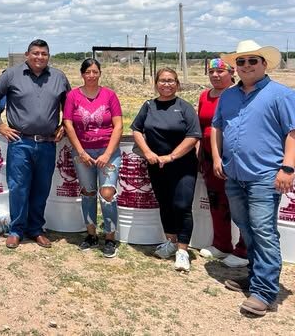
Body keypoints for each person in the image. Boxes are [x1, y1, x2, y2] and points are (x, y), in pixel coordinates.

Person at [212, 40, 295, 316]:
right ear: (236, 66)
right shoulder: (228, 96)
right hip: (235, 175)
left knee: (263, 231)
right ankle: (256, 276)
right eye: (241, 61)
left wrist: (288, 168)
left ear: (264, 64)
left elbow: (293, 132)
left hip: (265, 176)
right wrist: (217, 158)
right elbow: (217, 127)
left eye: (252, 61)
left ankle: (265, 292)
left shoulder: (281, 94)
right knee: (247, 228)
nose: (246, 65)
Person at [0, 39, 70, 249]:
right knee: (19, 188)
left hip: (47, 143)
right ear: (27, 55)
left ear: (48, 56)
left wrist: (65, 126)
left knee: (41, 188)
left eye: (44, 54)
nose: (40, 57)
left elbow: (70, 104)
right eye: (36, 53)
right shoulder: (12, 74)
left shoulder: (58, 77)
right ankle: (16, 230)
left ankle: (36, 229)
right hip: (20, 142)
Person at [131, 67, 201, 272]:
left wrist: (171, 157)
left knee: (182, 205)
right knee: (165, 204)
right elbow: (136, 130)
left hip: (183, 165)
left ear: (177, 84)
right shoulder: (148, 106)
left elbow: (193, 136)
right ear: (156, 84)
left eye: (171, 81)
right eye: (162, 80)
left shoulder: (185, 107)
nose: (166, 84)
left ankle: (182, 251)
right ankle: (171, 242)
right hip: (156, 165)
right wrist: (147, 152)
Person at [63, 58, 123, 258]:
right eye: (87, 72)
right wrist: (81, 152)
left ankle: (110, 237)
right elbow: (68, 124)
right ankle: (91, 235)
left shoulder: (110, 95)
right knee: (88, 192)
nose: (91, 75)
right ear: (82, 74)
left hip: (108, 151)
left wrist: (107, 153)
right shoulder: (72, 96)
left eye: (95, 71)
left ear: (100, 73)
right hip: (83, 153)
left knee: (107, 193)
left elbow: (118, 125)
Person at [197, 58, 247, 268]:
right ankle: (221, 243)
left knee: (241, 204)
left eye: (220, 71)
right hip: (210, 159)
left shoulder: (239, 94)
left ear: (231, 73)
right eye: (211, 71)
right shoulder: (204, 96)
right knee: (217, 202)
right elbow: (200, 126)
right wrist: (199, 151)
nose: (215, 75)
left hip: (234, 158)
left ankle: (244, 249)